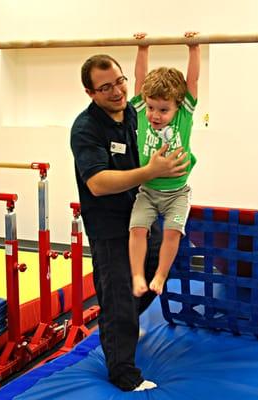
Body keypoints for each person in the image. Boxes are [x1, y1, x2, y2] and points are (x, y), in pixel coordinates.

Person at [70, 54, 189, 392]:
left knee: (161, 267)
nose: (117, 91)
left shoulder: (137, 114)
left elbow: (179, 104)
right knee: (119, 297)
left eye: (119, 82)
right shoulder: (86, 128)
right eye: (105, 87)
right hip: (109, 226)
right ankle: (124, 375)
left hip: (141, 215)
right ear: (90, 92)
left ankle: (121, 321)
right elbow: (97, 182)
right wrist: (150, 172)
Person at [128, 32, 200, 297]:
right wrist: (143, 47)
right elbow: (139, 79)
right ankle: (137, 275)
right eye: (151, 108)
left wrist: (194, 48)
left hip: (177, 193)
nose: (155, 115)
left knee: (172, 233)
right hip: (146, 191)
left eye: (163, 110)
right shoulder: (141, 113)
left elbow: (192, 80)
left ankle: (160, 274)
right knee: (136, 230)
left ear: (177, 106)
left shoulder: (184, 115)